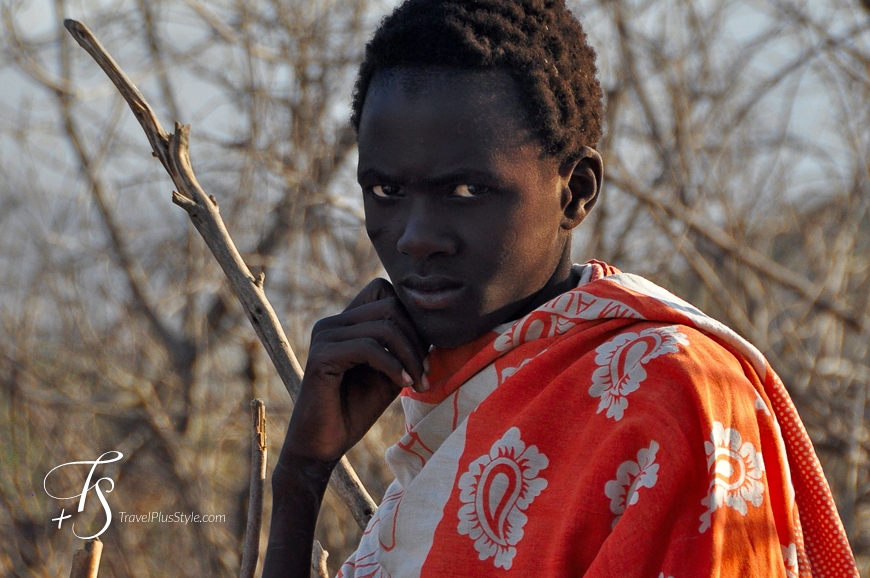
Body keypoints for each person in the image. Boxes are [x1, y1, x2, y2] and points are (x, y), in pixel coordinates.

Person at [262, 1, 858, 576]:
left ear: (574, 192)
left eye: (468, 191)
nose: (416, 238)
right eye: (386, 192)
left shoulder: (670, 394)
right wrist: (301, 479)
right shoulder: (443, 411)